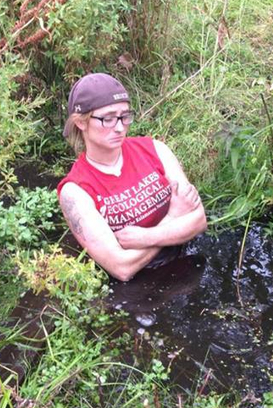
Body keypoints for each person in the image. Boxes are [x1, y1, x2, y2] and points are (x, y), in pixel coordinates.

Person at [57, 73, 207, 282]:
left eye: (125, 116)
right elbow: (122, 268)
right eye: (108, 119)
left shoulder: (155, 149)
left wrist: (146, 237)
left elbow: (199, 219)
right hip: (139, 289)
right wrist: (174, 218)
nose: (120, 127)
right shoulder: (75, 191)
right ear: (81, 122)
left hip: (188, 262)